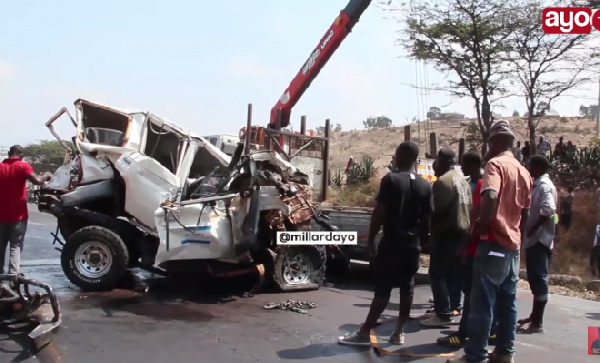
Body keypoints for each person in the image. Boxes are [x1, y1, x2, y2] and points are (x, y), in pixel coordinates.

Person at [448, 120, 532, 363]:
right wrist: (515, 235)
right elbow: (525, 212)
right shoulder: (523, 171)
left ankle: (475, 356)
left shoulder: (496, 165)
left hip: (493, 243)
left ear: (495, 142)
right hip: (512, 248)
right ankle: (505, 353)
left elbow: (491, 196)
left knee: (482, 305)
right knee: (508, 304)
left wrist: (478, 230)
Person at [338, 141, 432, 346]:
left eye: (397, 153)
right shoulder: (425, 185)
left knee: (383, 289)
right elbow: (426, 219)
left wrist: (371, 240)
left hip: (392, 244)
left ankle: (364, 333)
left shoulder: (391, 180)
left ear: (404, 156)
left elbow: (379, 212)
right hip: (412, 246)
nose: (395, 157)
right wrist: (423, 241)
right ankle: (398, 333)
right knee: (408, 288)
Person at [437, 152, 499, 348]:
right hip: (498, 248)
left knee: (472, 294)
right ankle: (493, 334)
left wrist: (463, 247)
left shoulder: (483, 187)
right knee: (493, 294)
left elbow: (478, 223)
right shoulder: (504, 188)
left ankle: (464, 335)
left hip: (477, 248)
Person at [421, 148, 471, 328]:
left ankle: (442, 313)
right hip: (462, 233)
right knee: (454, 275)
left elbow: (437, 212)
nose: (436, 166)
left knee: (437, 274)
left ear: (445, 162)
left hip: (446, 233)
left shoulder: (443, 182)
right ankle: (453, 306)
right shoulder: (463, 181)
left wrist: (430, 233)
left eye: (438, 162)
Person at [517, 155, 557, 334]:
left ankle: (537, 323)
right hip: (535, 239)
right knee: (535, 278)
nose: (528, 167)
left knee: (539, 279)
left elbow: (548, 209)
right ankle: (534, 316)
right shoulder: (538, 184)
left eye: (530, 165)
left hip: (540, 240)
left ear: (538, 167)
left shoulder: (544, 186)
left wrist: (533, 228)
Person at [0, 145, 52, 275]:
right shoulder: (23, 166)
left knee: (0, 248)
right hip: (18, 216)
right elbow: (37, 181)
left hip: (1, 216)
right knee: (15, 247)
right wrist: (46, 175)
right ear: (21, 156)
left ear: (8, 154)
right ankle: (13, 278)